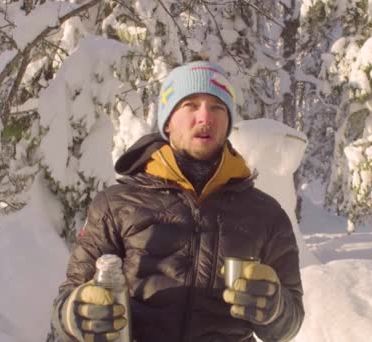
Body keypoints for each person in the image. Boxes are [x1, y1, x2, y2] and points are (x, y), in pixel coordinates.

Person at [50, 60, 304, 342]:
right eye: (191, 105)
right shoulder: (116, 205)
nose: (205, 118)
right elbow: (68, 303)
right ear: (168, 122)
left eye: (217, 107)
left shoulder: (265, 214)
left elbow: (290, 322)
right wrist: (77, 314)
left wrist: (275, 307)